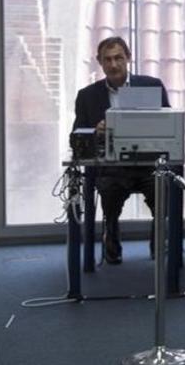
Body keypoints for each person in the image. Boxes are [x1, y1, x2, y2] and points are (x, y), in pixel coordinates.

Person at [71, 36, 170, 265]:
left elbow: (168, 124)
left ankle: (159, 246)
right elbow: (75, 138)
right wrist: (94, 131)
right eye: (108, 60)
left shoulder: (151, 85)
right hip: (111, 167)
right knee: (109, 193)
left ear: (128, 58)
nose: (113, 64)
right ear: (100, 62)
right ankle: (112, 244)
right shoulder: (87, 96)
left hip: (148, 164)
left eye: (118, 58)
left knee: (162, 191)